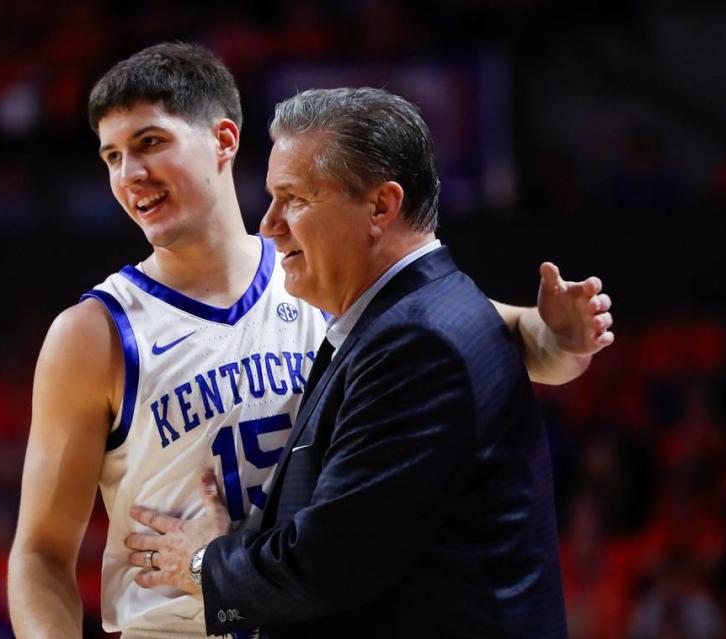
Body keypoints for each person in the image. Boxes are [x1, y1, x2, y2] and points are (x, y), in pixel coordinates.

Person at [8, 44, 613, 638]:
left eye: (149, 143)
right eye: (111, 156)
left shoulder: (320, 270)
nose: (128, 174)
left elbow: (491, 338)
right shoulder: (94, 332)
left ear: (223, 141)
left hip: (312, 607)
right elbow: (39, 555)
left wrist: (558, 336)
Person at [123, 87, 577, 638]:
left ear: (380, 207)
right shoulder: (424, 310)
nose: (268, 225)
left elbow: (327, 567)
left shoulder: (416, 343)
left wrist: (205, 564)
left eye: (293, 199)